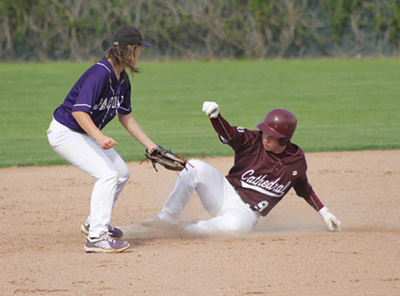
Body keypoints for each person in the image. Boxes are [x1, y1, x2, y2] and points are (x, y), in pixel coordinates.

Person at [141, 101, 341, 235]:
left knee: (235, 227)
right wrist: (215, 117)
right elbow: (228, 133)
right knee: (194, 166)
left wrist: (323, 212)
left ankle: (187, 229)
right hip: (224, 192)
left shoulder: (295, 162)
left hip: (246, 213)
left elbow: (303, 188)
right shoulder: (252, 140)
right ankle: (167, 219)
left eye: (272, 136)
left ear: (285, 140)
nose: (266, 138)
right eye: (265, 132)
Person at [47, 25, 158, 253]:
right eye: (139, 49)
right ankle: (97, 237)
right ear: (131, 49)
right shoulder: (100, 73)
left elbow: (125, 116)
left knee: (122, 173)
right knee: (108, 175)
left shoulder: (123, 79)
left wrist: (150, 145)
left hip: (84, 133)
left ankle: (93, 223)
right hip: (65, 133)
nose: (140, 55)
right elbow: (79, 112)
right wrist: (99, 136)